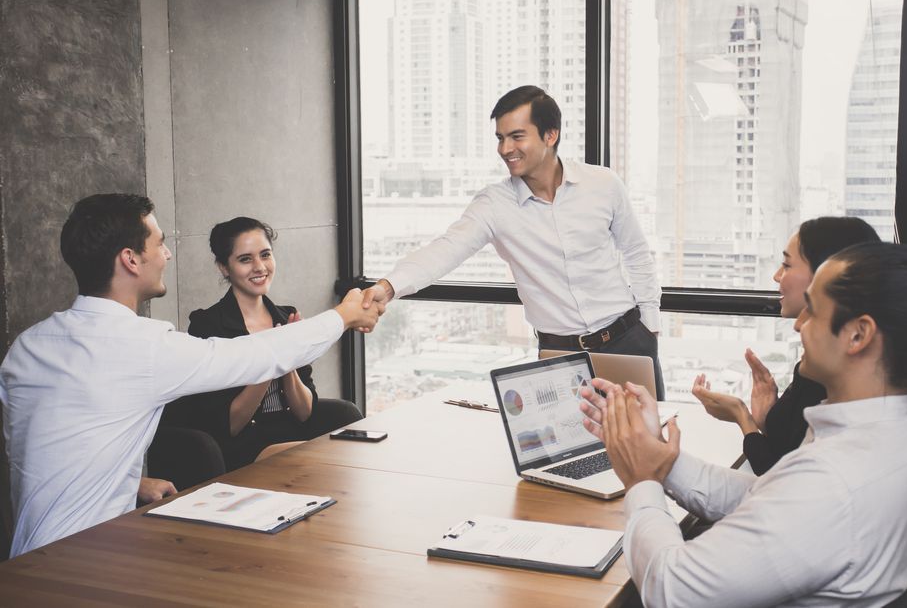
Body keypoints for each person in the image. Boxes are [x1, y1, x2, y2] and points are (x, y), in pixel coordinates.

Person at [580, 242, 907, 606]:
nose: (799, 324)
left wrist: (640, 480)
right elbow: (764, 497)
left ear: (858, 335)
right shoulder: (900, 436)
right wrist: (659, 457)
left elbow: (670, 589)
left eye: (813, 311)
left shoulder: (834, 482)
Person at [0, 194, 380, 557]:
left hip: (26, 562)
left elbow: (46, 452)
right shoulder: (146, 348)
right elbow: (259, 354)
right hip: (94, 558)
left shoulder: (29, 346)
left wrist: (132, 482)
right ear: (131, 260)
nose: (166, 253)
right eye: (160, 244)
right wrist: (345, 315)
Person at [362, 85, 665, 397]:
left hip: (628, 342)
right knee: (566, 446)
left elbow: (637, 253)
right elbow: (444, 251)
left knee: (647, 443)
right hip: (559, 358)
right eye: (500, 138)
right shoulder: (494, 205)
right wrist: (387, 287)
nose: (505, 148)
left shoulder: (603, 184)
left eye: (517, 136)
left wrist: (650, 329)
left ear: (551, 135)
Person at [160, 217, 362, 470]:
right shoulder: (208, 324)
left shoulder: (286, 316)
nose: (259, 266)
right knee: (326, 459)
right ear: (224, 267)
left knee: (352, 449)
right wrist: (271, 356)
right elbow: (231, 424)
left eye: (265, 255)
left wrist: (288, 356)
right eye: (245, 259)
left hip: (293, 434)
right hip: (243, 446)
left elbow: (304, 413)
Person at [691, 216, 880, 474]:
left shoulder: (835, 375)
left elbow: (778, 475)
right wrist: (768, 416)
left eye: (787, 265)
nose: (776, 276)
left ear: (827, 275)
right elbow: (793, 447)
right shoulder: (829, 360)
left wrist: (741, 416)